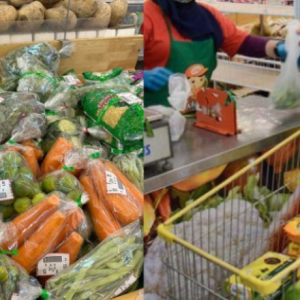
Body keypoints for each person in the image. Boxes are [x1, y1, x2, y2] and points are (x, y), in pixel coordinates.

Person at [143, 0, 290, 108]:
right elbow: (120, 69)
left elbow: (244, 42)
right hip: (153, 123)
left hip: (197, 114)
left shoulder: (207, 16)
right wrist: (140, 77)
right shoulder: (145, 15)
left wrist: (280, 48)